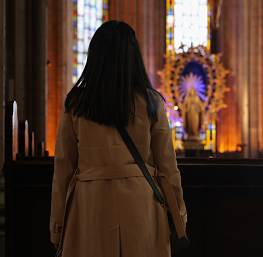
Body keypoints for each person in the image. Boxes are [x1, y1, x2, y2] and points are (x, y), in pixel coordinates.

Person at [50, 21, 187, 256]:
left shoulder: (75, 104)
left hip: (90, 207)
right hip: (141, 207)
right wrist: (180, 216)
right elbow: (168, 167)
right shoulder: (152, 103)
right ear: (133, 58)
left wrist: (57, 227)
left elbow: (63, 170)